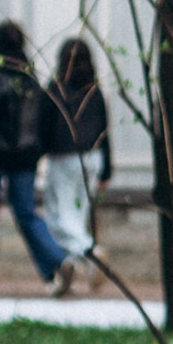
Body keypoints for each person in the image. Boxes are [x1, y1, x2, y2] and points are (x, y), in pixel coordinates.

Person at [0, 19, 67, 295]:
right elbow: (44, 120)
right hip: (25, 158)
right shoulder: (30, 78)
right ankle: (56, 262)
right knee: (27, 212)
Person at [41, 37, 113, 294]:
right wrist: (107, 171)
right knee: (77, 217)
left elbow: (44, 127)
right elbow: (105, 131)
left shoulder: (55, 89)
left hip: (64, 157)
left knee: (57, 217)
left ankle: (88, 251)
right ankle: (67, 268)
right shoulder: (95, 91)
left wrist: (38, 153)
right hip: (93, 157)